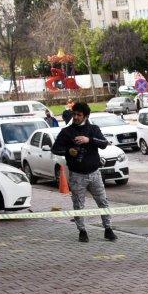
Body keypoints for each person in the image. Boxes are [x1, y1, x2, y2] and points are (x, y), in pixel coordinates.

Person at [52, 102, 117, 243]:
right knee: (78, 204)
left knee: (103, 201)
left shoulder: (93, 129)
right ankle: (82, 231)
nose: (75, 117)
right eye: (74, 114)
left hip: (94, 173)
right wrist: (68, 151)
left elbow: (104, 143)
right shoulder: (66, 132)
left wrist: (89, 140)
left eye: (79, 115)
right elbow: (55, 149)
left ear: (85, 116)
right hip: (77, 175)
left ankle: (108, 229)